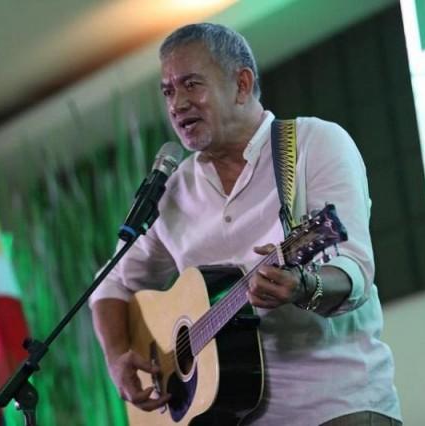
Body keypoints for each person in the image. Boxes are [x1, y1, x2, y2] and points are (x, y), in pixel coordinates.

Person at [90, 23, 402, 425]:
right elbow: (109, 284)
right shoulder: (172, 194)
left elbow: (354, 270)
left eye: (191, 85)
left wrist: (305, 284)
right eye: (168, 91)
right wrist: (118, 358)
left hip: (337, 406)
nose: (177, 104)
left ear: (241, 84)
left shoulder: (314, 144)